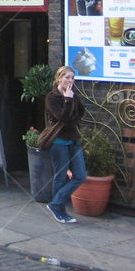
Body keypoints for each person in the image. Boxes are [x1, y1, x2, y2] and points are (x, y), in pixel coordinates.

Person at [45, 65, 86, 224]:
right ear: (59, 78)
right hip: (58, 142)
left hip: (73, 140)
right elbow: (61, 117)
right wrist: (67, 100)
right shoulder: (52, 97)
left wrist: (71, 103)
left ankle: (55, 204)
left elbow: (81, 111)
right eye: (67, 77)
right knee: (60, 177)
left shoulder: (73, 94)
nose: (70, 81)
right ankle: (60, 211)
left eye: (72, 78)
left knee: (80, 176)